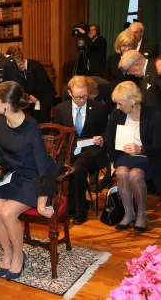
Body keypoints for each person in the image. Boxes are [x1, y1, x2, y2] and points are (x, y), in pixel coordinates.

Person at [0, 81, 58, 280]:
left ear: (6, 105)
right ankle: (8, 252)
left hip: (33, 176)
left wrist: (43, 201)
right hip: (11, 173)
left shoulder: (31, 127)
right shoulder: (0, 120)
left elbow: (42, 165)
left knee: (8, 213)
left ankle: (19, 255)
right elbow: (0, 149)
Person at [106, 81, 161, 233]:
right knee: (122, 172)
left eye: (120, 103)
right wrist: (113, 162)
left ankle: (142, 215)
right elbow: (109, 139)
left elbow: (159, 146)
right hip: (125, 156)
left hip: (148, 157)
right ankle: (129, 213)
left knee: (135, 175)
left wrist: (141, 149)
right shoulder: (118, 114)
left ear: (132, 101)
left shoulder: (154, 115)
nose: (117, 107)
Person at [54, 76, 108, 224]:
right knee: (59, 167)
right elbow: (57, 134)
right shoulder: (61, 109)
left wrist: (101, 138)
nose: (82, 100)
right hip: (70, 149)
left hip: (92, 150)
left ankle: (80, 210)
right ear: (70, 93)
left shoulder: (98, 107)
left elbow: (107, 131)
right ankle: (65, 206)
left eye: (85, 96)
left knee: (77, 169)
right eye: (78, 97)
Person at [6, 46, 56, 123]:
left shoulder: (35, 65)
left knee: (43, 118)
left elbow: (42, 84)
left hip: (45, 95)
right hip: (32, 98)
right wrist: (29, 95)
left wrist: (35, 96)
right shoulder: (16, 71)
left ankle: (44, 133)